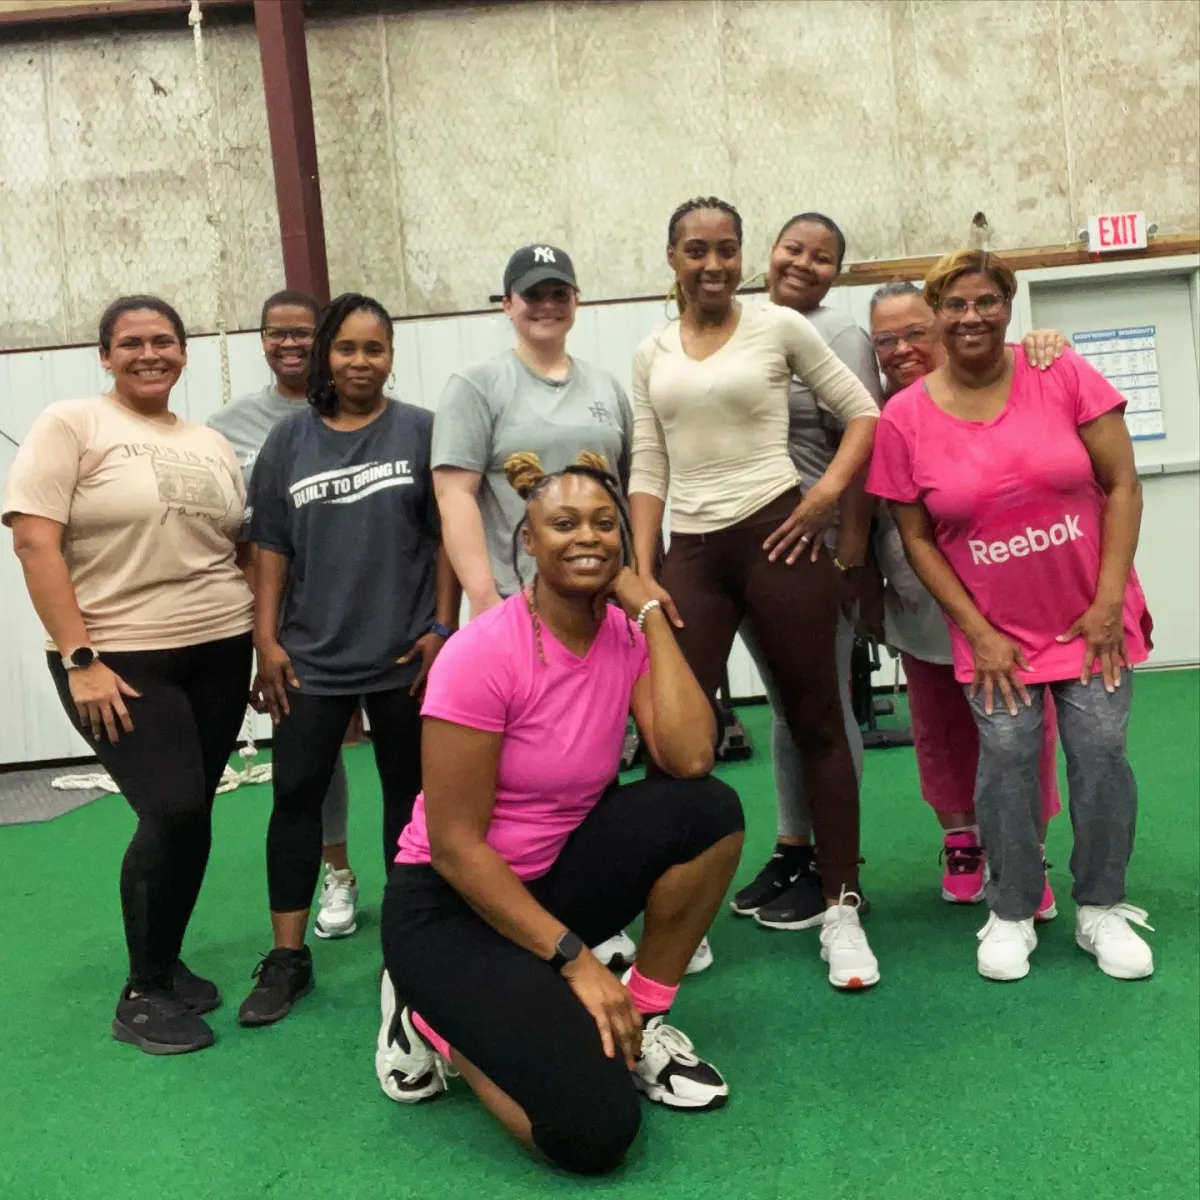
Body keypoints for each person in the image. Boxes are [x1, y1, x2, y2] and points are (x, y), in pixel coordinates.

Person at [377, 451, 743, 1176]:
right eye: (564, 523)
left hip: (551, 880)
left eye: (605, 524)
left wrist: (648, 611)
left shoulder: (625, 636)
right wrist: (575, 960)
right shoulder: (483, 654)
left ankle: (645, 1019)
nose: (588, 537)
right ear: (529, 543)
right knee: (592, 1133)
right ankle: (432, 1019)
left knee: (707, 810)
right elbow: (453, 847)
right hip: (449, 907)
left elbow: (692, 756)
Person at [867, 250, 1155, 982]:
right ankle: (1012, 911)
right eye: (956, 304)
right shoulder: (904, 418)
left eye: (987, 301)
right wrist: (978, 631)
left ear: (1008, 304)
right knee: (1006, 762)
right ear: (936, 315)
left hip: (1091, 618)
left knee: (1099, 755)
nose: (972, 316)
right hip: (996, 636)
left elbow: (1121, 484)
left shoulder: (1059, 372)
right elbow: (916, 538)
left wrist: (1109, 600)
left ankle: (1100, 907)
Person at [630, 196, 883, 990]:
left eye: (726, 249)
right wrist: (640, 570)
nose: (712, 264)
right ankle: (676, 915)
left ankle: (841, 907)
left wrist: (822, 501)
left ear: (742, 257)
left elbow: (864, 414)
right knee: (673, 741)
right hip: (694, 556)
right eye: (696, 249)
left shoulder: (782, 327)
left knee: (816, 723)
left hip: (781, 535)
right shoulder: (652, 351)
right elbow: (648, 465)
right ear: (671, 257)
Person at [3, 295, 254, 1055]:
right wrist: (81, 659)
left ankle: (166, 961)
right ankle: (141, 995)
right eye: (132, 342)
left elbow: (232, 545)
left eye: (164, 341)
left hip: (217, 642)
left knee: (195, 810)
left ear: (182, 351)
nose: (151, 353)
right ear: (105, 355)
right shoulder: (71, 425)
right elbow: (35, 546)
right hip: (118, 654)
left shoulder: (207, 440)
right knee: (172, 807)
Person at [432, 243, 670, 974]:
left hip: (599, 610)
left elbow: (630, 489)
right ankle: (486, 919)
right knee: (512, 782)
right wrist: (484, 598)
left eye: (558, 291)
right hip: (518, 610)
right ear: (507, 304)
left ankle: (596, 909)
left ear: (575, 301)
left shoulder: (604, 387)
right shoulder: (478, 383)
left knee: (599, 761)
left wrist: (640, 581)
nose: (545, 304)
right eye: (530, 294)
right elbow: (455, 492)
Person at [238, 293, 460, 1026]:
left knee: (409, 799)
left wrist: (442, 625)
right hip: (310, 657)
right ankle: (287, 957)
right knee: (295, 797)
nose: (361, 362)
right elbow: (270, 546)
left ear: (391, 356)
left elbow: (443, 539)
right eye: (347, 348)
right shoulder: (287, 444)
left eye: (375, 349)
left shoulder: (422, 431)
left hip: (404, 653)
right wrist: (266, 640)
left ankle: (409, 946)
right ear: (325, 355)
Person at [866, 281, 1067, 910]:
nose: (901, 349)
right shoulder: (874, 411)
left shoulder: (1007, 377)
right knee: (941, 730)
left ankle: (1028, 853)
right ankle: (962, 841)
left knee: (1024, 730)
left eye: (913, 333)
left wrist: (1045, 342)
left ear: (943, 327)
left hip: (1010, 600)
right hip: (921, 604)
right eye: (885, 340)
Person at [727, 212, 881, 931]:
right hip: (753, 544)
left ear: (837, 274)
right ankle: (794, 846)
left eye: (822, 258)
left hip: (814, 550)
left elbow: (862, 445)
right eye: (793, 249)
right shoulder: (744, 325)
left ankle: (833, 864)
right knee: (789, 711)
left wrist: (849, 551)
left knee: (824, 710)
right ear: (770, 252)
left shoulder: (839, 333)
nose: (804, 264)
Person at [208, 289, 363, 942]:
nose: (292, 343)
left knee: (413, 748)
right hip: (286, 615)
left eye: (305, 332)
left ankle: (433, 880)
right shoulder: (227, 427)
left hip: (368, 601)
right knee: (312, 754)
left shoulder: (362, 410)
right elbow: (226, 526)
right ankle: (338, 872)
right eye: (278, 333)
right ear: (262, 340)